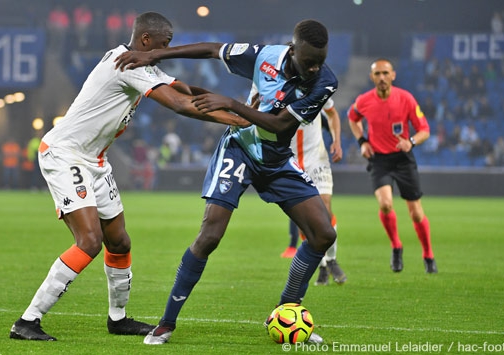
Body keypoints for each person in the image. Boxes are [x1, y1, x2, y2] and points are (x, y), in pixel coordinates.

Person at [9, 12, 249, 342]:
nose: (167, 49)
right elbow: (179, 104)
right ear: (146, 40)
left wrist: (237, 107)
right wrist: (242, 121)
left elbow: (185, 89)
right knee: (90, 241)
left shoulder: (145, 66)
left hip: (94, 160)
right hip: (65, 153)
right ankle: (27, 321)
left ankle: (117, 319)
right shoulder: (126, 64)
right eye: (165, 44)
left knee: (119, 241)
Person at [115, 19, 338, 345]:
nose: (314, 68)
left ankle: (287, 310)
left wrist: (231, 103)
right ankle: (166, 323)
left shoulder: (325, 83)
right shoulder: (264, 56)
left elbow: (278, 124)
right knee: (210, 235)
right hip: (240, 149)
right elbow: (211, 49)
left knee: (323, 234)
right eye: (308, 62)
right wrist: (154, 57)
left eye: (319, 61)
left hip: (276, 159)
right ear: (293, 51)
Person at [347, 58, 437, 274]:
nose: (381, 78)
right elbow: (352, 118)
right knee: (385, 204)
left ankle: (428, 255)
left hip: (402, 158)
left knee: (415, 213)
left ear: (393, 75)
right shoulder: (364, 100)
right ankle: (396, 246)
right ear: (371, 77)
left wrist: (411, 142)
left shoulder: (405, 99)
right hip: (379, 160)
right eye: (377, 74)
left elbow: (424, 129)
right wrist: (362, 141)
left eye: (385, 73)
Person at [281, 98, 346, 286]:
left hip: (317, 159)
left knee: (325, 210)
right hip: (290, 162)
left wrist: (337, 141)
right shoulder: (279, 91)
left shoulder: (318, 88)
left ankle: (332, 259)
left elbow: (332, 114)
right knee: (303, 219)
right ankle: (322, 265)